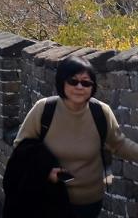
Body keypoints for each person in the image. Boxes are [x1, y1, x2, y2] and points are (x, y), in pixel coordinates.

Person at [12, 56, 138, 217]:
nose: (79, 87)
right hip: (49, 199)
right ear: (62, 82)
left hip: (90, 202)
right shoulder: (44, 109)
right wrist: (45, 172)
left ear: (92, 87)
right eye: (73, 81)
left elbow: (118, 144)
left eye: (86, 83)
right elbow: (20, 147)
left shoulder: (101, 112)